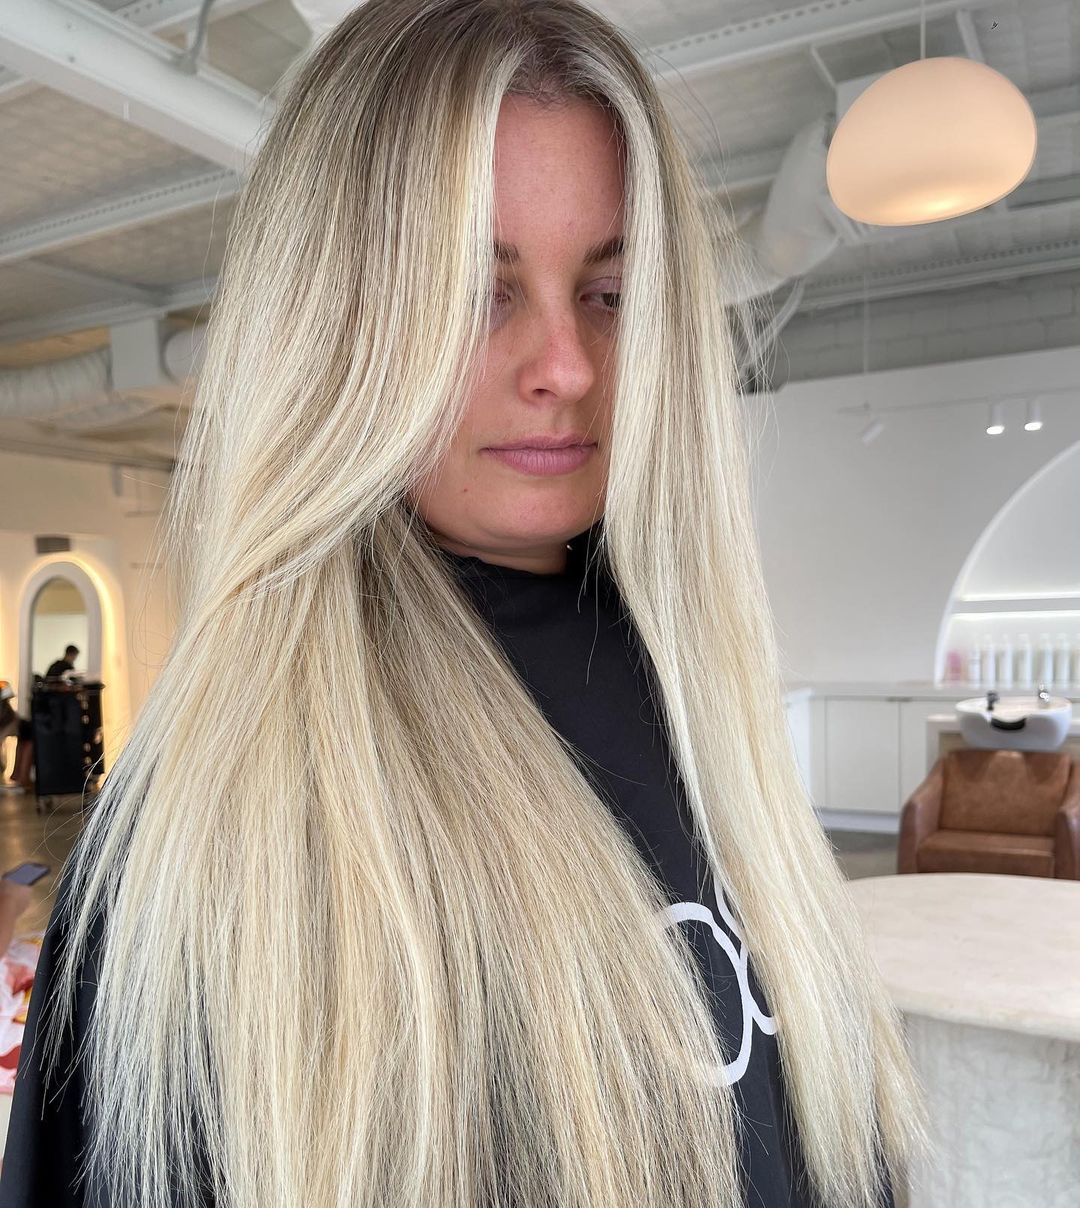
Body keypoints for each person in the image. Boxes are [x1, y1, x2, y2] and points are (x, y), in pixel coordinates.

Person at [0, 3, 928, 1206]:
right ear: (332, 322)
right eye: (478, 293)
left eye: (609, 291)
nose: (568, 365)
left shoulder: (693, 686)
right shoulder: (217, 836)